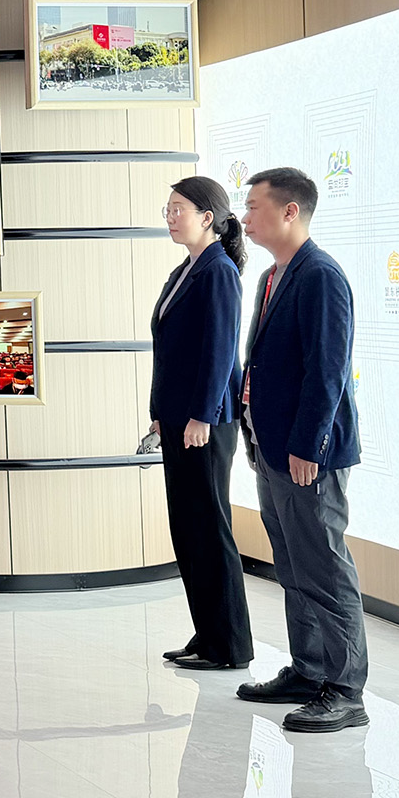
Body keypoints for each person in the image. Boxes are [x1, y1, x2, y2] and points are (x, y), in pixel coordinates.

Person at [235, 167, 368, 732]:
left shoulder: (320, 275)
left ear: (290, 211)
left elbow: (328, 371)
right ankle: (309, 670)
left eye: (255, 206)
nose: (245, 217)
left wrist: (308, 445)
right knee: (293, 565)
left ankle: (345, 690)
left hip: (307, 453)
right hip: (273, 448)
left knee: (324, 567)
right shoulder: (273, 276)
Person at [150, 176, 254, 672]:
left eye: (179, 209)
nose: (171, 217)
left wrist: (201, 415)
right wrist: (158, 411)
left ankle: (228, 646)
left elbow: (219, 351)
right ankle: (207, 632)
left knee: (209, 529)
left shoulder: (219, 271)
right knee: (188, 528)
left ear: (207, 217)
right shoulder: (185, 269)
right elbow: (169, 352)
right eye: (167, 209)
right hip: (178, 418)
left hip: (204, 423)